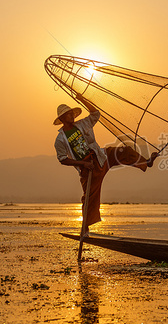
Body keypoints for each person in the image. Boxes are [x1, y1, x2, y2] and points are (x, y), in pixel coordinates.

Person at [53, 94, 158, 235]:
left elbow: (96, 114)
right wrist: (83, 163)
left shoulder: (82, 124)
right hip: (89, 169)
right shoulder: (60, 139)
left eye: (72, 113)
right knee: (89, 198)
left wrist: (83, 100)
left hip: (101, 156)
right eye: (68, 114)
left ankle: (146, 162)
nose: (71, 116)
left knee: (123, 151)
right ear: (62, 119)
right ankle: (85, 228)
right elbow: (62, 159)